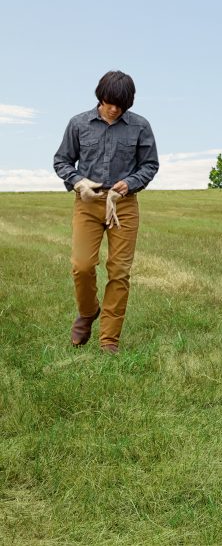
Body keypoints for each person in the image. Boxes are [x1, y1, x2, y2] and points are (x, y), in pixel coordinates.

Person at [52, 71, 160, 354]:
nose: (115, 109)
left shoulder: (140, 127)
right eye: (110, 103)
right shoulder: (78, 124)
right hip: (87, 202)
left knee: (119, 272)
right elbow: (62, 161)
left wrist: (129, 184)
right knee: (82, 266)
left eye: (121, 105)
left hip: (123, 204)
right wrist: (79, 182)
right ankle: (88, 312)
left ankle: (109, 339)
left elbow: (149, 165)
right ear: (100, 97)